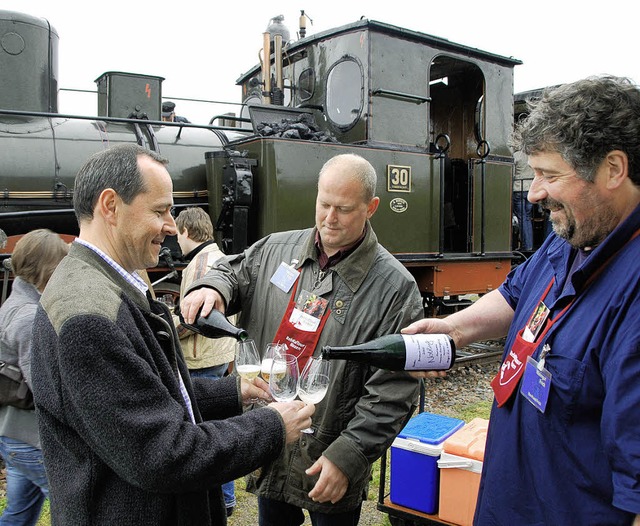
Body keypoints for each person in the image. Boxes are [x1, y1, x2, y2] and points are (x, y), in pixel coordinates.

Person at [30, 143, 314, 525]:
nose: (170, 225)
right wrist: (273, 426)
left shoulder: (106, 285)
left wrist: (234, 392)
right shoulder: (88, 318)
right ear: (110, 206)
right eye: (160, 210)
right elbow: (163, 453)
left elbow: (145, 392)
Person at [404, 76, 640, 525]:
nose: (533, 192)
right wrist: (454, 329)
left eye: (550, 175)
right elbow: (516, 294)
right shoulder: (574, 236)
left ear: (613, 168)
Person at [181, 153, 422, 526]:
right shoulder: (278, 249)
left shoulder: (395, 288)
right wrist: (212, 287)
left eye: (342, 209)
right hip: (274, 441)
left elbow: (393, 391)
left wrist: (349, 456)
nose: (329, 218)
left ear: (371, 207)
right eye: (323, 204)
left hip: (331, 455)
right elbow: (232, 270)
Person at [0, 229, 69, 526]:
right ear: (47, 269)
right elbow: (43, 387)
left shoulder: (11, 304)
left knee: (19, 514)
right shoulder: (28, 317)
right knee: (74, 511)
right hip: (32, 441)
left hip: (13, 434)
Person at [173, 206, 237, 516]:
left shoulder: (198, 265)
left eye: (177, 233)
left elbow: (192, 318)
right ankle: (227, 496)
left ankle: (223, 499)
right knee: (221, 424)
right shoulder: (221, 257)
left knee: (208, 431)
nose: (175, 240)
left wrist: (165, 328)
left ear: (186, 231)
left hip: (201, 358)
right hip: (221, 354)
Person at [512, 148, 534, 251]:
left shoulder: (516, 156)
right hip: (530, 189)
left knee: (522, 217)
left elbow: (511, 174)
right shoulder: (532, 154)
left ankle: (526, 246)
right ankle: (529, 244)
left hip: (518, 189)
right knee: (527, 217)